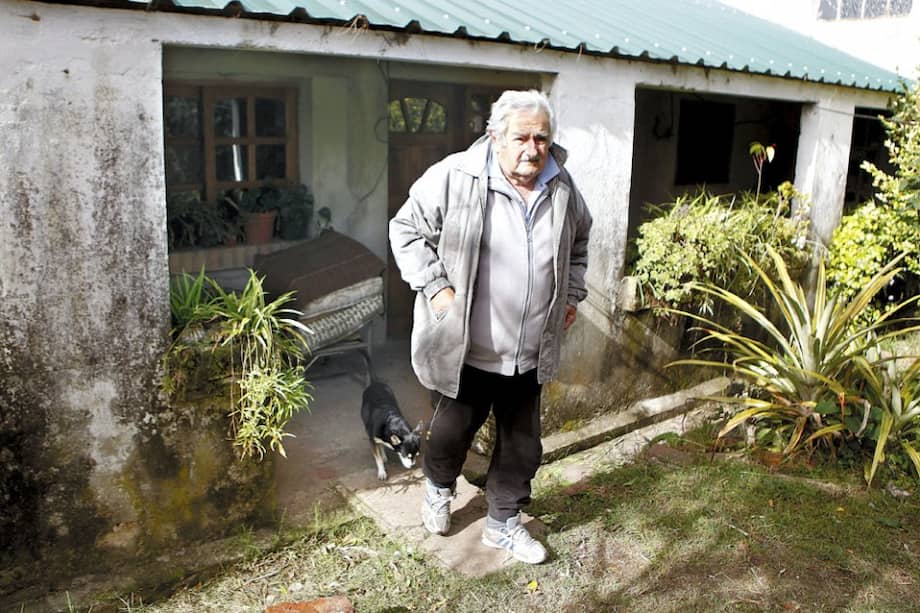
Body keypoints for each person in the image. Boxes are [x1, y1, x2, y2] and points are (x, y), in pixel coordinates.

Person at [388, 89, 592, 564]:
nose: (532, 148)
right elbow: (406, 229)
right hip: (468, 348)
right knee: (450, 434)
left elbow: (578, 245)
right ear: (495, 136)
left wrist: (573, 294)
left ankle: (503, 524)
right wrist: (436, 286)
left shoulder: (562, 187)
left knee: (523, 445)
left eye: (542, 138)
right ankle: (439, 489)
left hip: (530, 350)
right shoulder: (456, 175)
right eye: (521, 137)